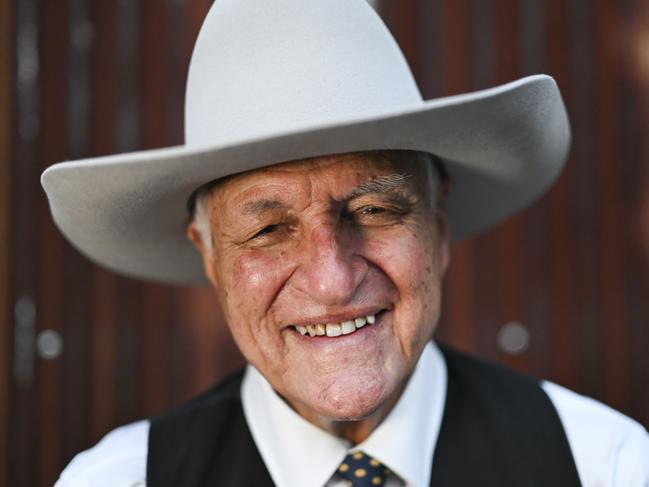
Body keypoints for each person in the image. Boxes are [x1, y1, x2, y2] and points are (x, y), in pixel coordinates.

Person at [43, 0, 649, 486]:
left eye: (375, 209)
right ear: (209, 255)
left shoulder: (604, 465)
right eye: (268, 230)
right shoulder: (120, 480)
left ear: (437, 230)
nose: (333, 280)